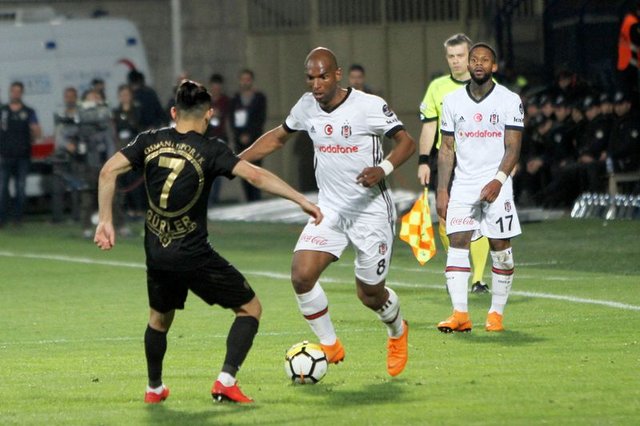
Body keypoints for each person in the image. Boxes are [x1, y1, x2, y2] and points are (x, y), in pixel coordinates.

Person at [94, 80, 322, 404]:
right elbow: (255, 176)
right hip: (193, 254)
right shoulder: (211, 149)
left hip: (157, 252)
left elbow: (107, 172)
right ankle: (226, 381)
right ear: (209, 114)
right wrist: (301, 199)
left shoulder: (149, 141)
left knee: (159, 319)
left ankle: (154, 388)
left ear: (174, 112)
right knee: (250, 309)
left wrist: (105, 220)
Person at [239, 47, 415, 377]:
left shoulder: (368, 106)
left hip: (370, 211)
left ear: (337, 74)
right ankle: (330, 345)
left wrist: (383, 169)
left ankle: (397, 331)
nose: (316, 84)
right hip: (330, 209)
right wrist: (236, 161)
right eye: (311, 78)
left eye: (322, 77)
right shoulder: (306, 106)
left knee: (369, 294)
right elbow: (277, 138)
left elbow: (406, 142)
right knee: (301, 276)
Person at [436, 42, 524, 333]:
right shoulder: (451, 101)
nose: (478, 64)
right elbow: (446, 148)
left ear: (493, 66)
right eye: (474, 59)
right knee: (457, 243)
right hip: (463, 184)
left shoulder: (509, 100)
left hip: (497, 182)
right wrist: (442, 189)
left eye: (484, 60)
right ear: (468, 65)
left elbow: (513, 148)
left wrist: (498, 181)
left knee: (501, 250)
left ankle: (496, 314)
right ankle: (460, 314)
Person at [417, 33, 491, 294]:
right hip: (446, 158)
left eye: (461, 55)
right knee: (445, 214)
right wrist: (423, 161)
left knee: (479, 216)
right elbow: (429, 126)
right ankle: (456, 269)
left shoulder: (489, 85)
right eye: (451, 56)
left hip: (479, 158)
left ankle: (478, 279)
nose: (456, 61)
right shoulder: (437, 88)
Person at [0, 81, 42, 227]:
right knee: (2, 188)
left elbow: (37, 132)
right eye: (13, 91)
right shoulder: (3, 111)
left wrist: (34, 131)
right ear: (10, 92)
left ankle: (18, 218)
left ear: (22, 93)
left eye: (18, 91)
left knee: (21, 188)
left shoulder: (29, 111)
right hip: (4, 156)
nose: (15, 94)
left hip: (23, 156)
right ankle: (2, 218)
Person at [229, 69, 267, 202]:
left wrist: (250, 134)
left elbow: (260, 119)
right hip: (240, 142)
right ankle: (249, 199)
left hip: (256, 140)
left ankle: (256, 199)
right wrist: (239, 135)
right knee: (243, 170)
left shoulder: (259, 98)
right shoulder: (235, 99)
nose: (245, 82)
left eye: (248, 79)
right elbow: (232, 120)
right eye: (243, 79)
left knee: (256, 170)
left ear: (252, 80)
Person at [206, 73, 231, 206]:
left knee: (217, 169)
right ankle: (209, 198)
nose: (216, 88)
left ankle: (214, 198)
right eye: (214, 86)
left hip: (220, 137)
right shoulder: (205, 101)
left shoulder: (226, 101)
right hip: (207, 138)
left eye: (218, 86)